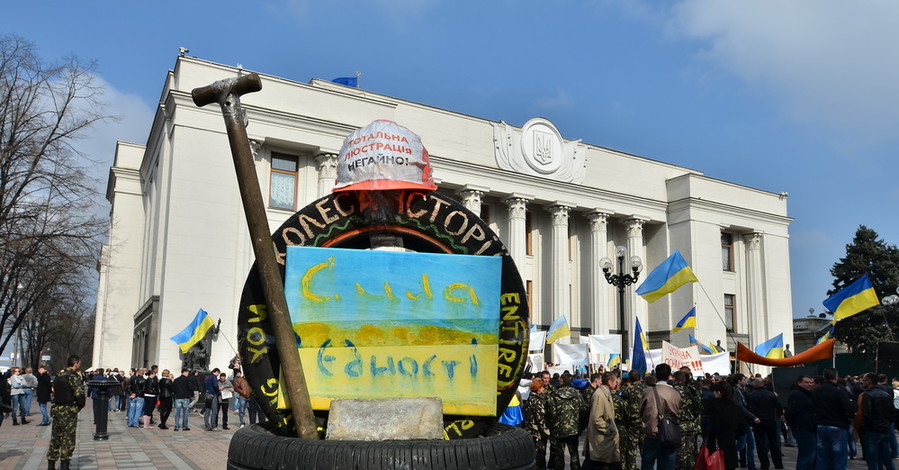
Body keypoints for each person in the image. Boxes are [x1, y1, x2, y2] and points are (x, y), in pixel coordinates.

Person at [812, 368, 856, 470]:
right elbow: (848, 407)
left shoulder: (816, 391)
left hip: (821, 424)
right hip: (837, 425)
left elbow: (813, 407)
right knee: (839, 457)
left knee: (822, 456)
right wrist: (854, 404)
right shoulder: (839, 390)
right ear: (836, 378)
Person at [47, 355, 85, 470]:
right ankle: (64, 464)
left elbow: (54, 391)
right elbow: (79, 394)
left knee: (55, 438)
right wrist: (80, 405)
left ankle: (51, 464)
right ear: (76, 364)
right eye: (79, 363)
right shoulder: (73, 376)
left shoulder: (59, 375)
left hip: (57, 409)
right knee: (68, 438)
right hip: (68, 410)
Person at [639, 363, 680, 470]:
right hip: (669, 433)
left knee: (648, 464)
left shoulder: (647, 392)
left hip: (652, 432)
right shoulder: (675, 393)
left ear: (656, 375)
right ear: (669, 375)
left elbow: (641, 411)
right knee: (668, 464)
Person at [547, 372, 588, 469]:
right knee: (574, 454)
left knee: (559, 455)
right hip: (573, 429)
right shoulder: (577, 393)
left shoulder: (555, 394)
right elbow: (583, 410)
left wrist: (552, 427)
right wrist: (581, 425)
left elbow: (552, 413)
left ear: (562, 380)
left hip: (559, 429)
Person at [855, 373, 895, 470]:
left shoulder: (867, 395)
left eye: (863, 380)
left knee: (872, 461)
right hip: (884, 429)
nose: (861, 382)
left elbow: (866, 415)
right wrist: (887, 424)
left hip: (871, 431)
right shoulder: (886, 395)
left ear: (869, 381)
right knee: (886, 458)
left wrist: (862, 429)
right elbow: (892, 413)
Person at [584, 372, 621, 470]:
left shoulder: (605, 393)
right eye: (615, 382)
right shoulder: (599, 395)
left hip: (606, 440)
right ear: (609, 382)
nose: (617, 384)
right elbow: (597, 418)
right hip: (602, 439)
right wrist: (610, 430)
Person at [706, 381, 745, 470]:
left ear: (719, 392)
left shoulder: (714, 406)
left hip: (717, 443)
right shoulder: (736, 407)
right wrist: (735, 435)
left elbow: (715, 427)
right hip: (731, 441)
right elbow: (743, 427)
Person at [747, 378, 784, 470]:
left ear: (755, 384)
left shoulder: (752, 395)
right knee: (774, 443)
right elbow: (779, 406)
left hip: (758, 421)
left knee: (760, 443)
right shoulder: (771, 395)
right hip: (770, 420)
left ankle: (764, 464)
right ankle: (778, 464)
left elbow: (750, 409)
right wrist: (778, 415)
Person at [672, 368, 702, 470]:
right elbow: (699, 406)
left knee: (680, 452)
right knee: (690, 451)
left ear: (675, 379)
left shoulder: (673, 390)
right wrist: (693, 417)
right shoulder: (691, 390)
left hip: (679, 424)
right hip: (691, 424)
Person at [786, 375, 816, 470]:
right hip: (803, 428)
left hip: (809, 428)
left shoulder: (808, 394)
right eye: (806, 382)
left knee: (809, 455)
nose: (809, 384)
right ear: (799, 383)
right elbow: (791, 412)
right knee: (806, 456)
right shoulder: (797, 394)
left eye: (811, 382)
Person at [618, 369, 644, 470]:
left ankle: (632, 467)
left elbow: (621, 403)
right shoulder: (647, 389)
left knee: (631, 449)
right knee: (644, 449)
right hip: (645, 422)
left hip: (632, 423)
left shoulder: (628, 390)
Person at [523, 379, 552, 469]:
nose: (544, 388)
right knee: (540, 456)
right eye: (542, 387)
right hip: (537, 433)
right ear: (538, 388)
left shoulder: (531, 398)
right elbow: (540, 419)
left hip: (531, 430)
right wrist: (548, 433)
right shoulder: (536, 400)